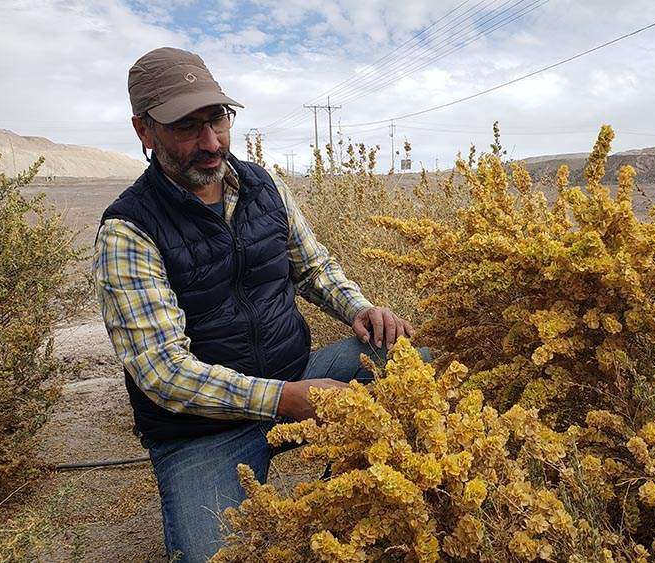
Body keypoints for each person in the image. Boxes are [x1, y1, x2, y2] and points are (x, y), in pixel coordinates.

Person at [93, 47, 423, 562]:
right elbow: (163, 372)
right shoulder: (129, 231)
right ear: (144, 131)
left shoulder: (263, 187)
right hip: (202, 431)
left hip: (296, 376)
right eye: (186, 126)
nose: (211, 143)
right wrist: (285, 400)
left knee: (407, 365)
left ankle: (343, 500)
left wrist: (359, 310)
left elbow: (313, 266)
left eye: (218, 119)